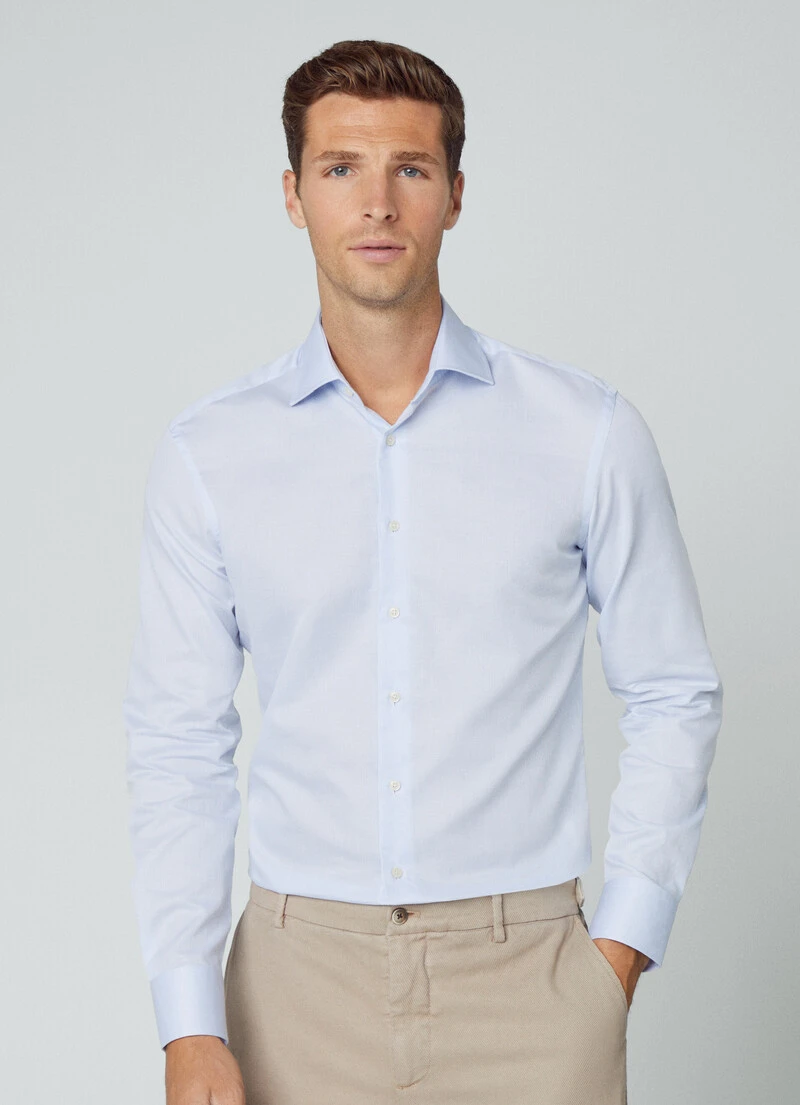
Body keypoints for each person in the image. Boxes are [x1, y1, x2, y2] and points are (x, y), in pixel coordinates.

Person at [122, 38, 723, 1105]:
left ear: (454, 193)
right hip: (292, 986)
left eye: (410, 167)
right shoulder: (211, 454)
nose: (377, 203)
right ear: (293, 195)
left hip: (532, 981)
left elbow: (673, 688)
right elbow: (178, 742)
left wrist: (618, 953)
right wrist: (188, 1021)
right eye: (340, 167)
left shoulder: (584, 432)